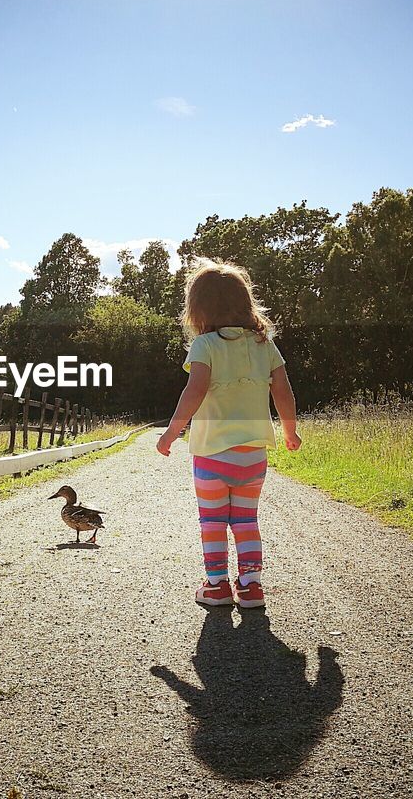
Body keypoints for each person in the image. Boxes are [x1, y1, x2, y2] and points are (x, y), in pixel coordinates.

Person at [156, 258, 300, 609]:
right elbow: (283, 390)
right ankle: (251, 587)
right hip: (252, 455)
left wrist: (172, 431)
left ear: (198, 310)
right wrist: (290, 430)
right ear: (245, 302)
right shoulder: (264, 345)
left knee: (213, 521)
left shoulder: (205, 346)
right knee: (247, 519)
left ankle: (217, 586)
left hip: (211, 455)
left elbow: (195, 391)